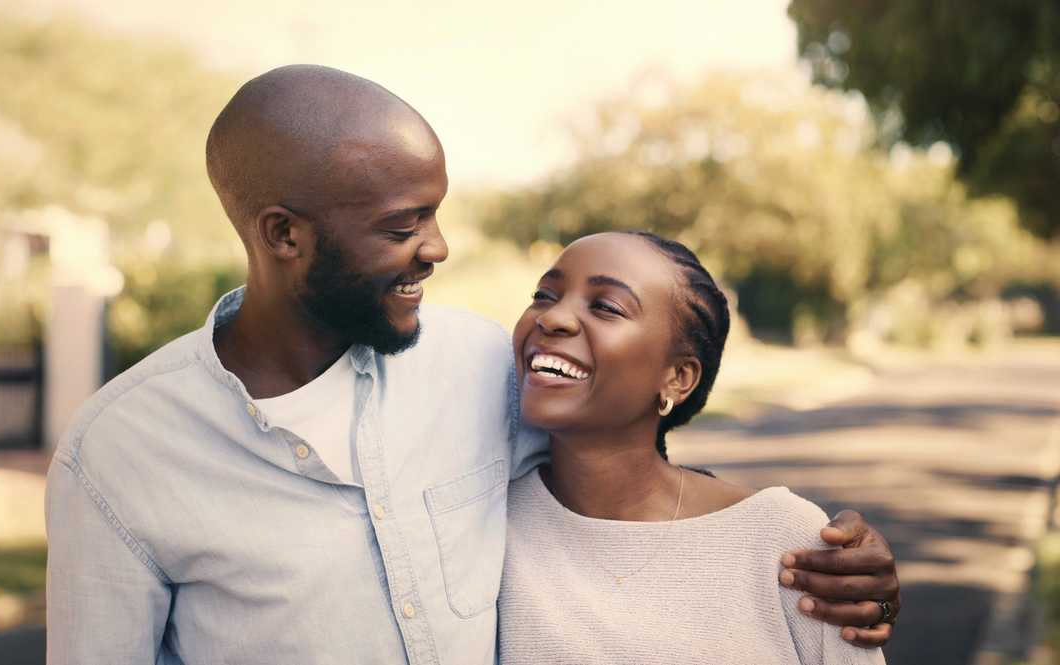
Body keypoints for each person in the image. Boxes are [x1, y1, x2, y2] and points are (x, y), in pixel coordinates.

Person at [45, 65, 900, 664]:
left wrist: (829, 558)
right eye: (401, 226)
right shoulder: (120, 453)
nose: (439, 248)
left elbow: (628, 473)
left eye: (437, 214)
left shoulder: (483, 364)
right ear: (283, 235)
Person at [498, 231, 889, 664]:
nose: (553, 318)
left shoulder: (782, 541)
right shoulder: (482, 522)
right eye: (544, 294)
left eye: (607, 307)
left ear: (678, 378)